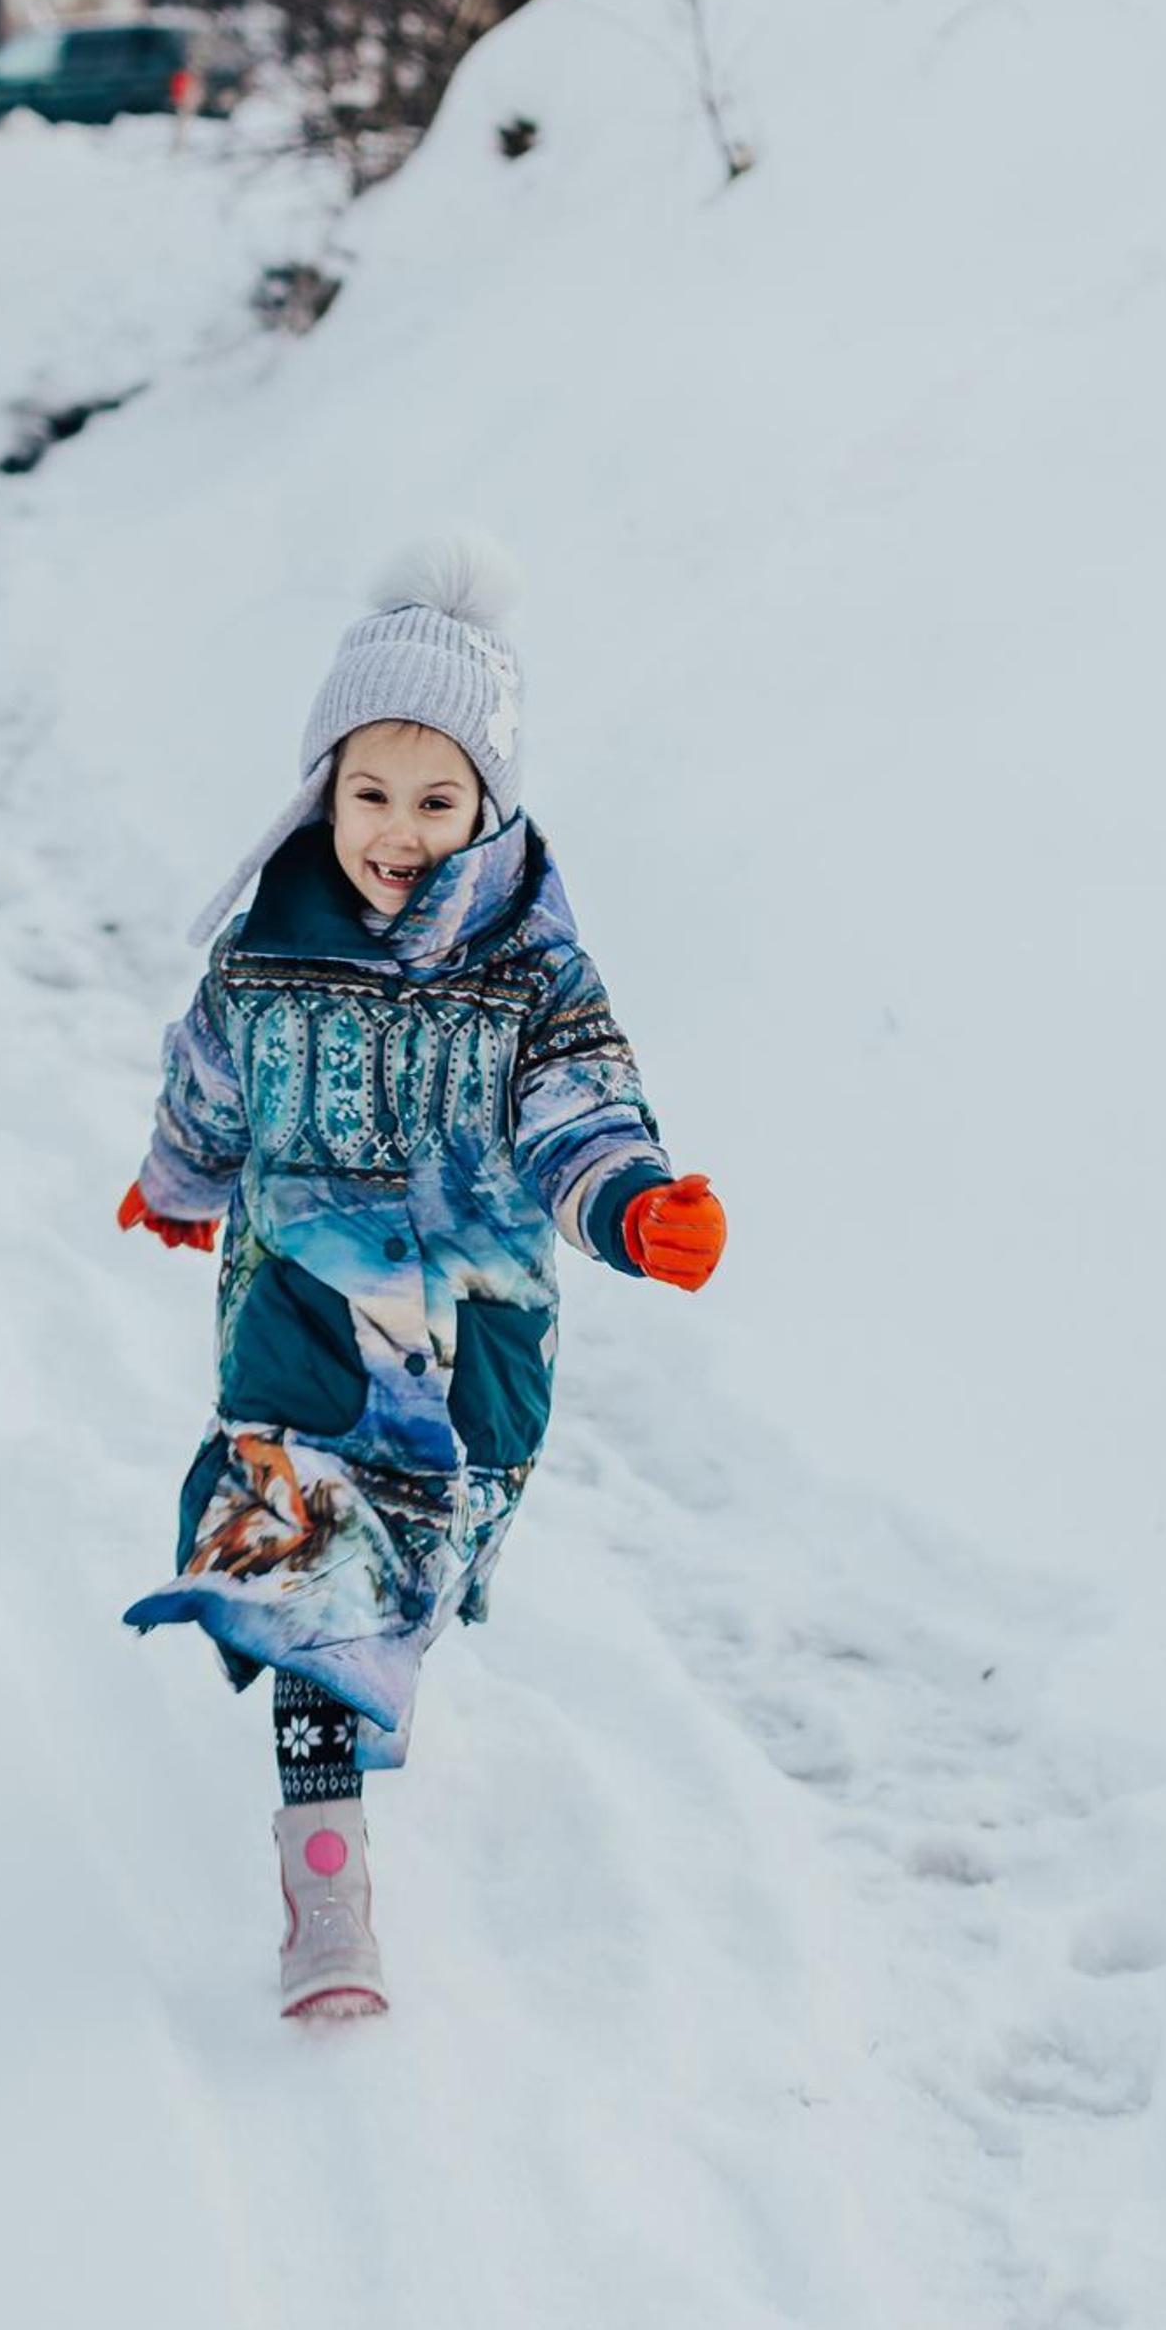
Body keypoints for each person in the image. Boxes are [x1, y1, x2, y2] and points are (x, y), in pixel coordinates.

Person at [117, 531, 727, 2020]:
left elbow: (578, 1107)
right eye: (368, 792)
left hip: (471, 1351)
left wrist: (633, 1204)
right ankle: (327, 1890)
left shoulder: (532, 971)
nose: (397, 827)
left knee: (414, 1582)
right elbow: (210, 1085)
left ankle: (374, 1684)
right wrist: (182, 1182)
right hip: (304, 1328)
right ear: (321, 787)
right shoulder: (260, 956)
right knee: (314, 1581)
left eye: (436, 797)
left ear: (489, 803)